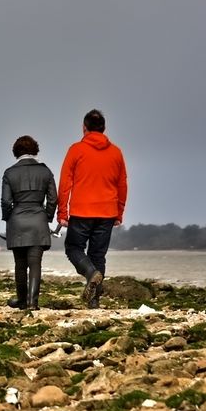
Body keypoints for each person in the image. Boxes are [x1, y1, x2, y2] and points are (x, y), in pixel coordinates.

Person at [57, 109, 128, 308]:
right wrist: (119, 212)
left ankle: (90, 274)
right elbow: (122, 184)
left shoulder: (76, 150)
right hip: (107, 211)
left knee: (73, 248)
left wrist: (62, 212)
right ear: (104, 129)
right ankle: (94, 301)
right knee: (98, 255)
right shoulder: (116, 152)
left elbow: (65, 183)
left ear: (84, 128)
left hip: (81, 211)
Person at [1, 135, 57, 310]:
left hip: (17, 220)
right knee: (35, 263)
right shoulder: (45, 171)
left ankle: (22, 301)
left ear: (15, 152)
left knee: (19, 264)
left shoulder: (9, 173)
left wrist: (8, 217)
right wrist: (46, 216)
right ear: (35, 150)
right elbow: (53, 199)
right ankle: (33, 302)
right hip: (38, 219)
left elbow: (5, 201)